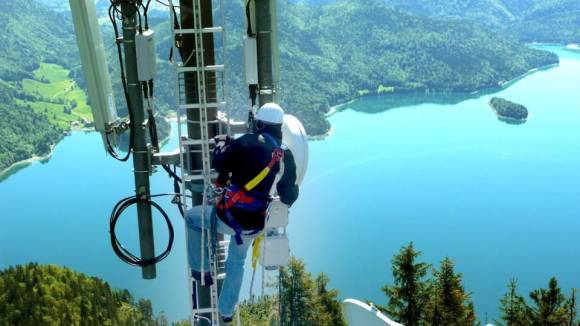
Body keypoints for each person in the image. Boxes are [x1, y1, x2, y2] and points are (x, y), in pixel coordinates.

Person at [185, 102, 299, 324]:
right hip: (254, 224)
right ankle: (226, 312)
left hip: (228, 216)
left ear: (258, 123)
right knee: (237, 262)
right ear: (280, 127)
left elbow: (220, 162)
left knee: (192, 218)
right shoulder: (285, 155)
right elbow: (288, 197)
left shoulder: (246, 141)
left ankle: (201, 270)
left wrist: (221, 144)